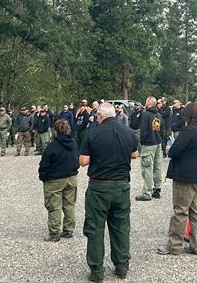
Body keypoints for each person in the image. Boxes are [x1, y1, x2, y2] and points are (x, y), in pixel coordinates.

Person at [79, 102, 139, 282]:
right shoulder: (128, 132)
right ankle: (121, 266)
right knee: (121, 227)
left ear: (99, 116)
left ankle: (97, 271)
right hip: (121, 185)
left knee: (95, 228)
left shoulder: (93, 133)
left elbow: (83, 161)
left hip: (99, 186)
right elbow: (135, 154)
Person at [157, 102, 197, 255]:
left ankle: (175, 245)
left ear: (188, 115)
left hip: (185, 176)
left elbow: (174, 151)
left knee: (180, 211)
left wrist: (169, 149)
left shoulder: (188, 131)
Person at [39, 119, 79, 242]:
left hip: (54, 180)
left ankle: (54, 233)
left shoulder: (52, 147)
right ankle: (68, 230)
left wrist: (43, 176)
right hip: (71, 178)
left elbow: (44, 165)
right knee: (69, 205)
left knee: (54, 206)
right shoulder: (73, 143)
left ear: (55, 131)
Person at [136, 96, 164, 201]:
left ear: (149, 102)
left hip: (148, 143)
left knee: (147, 167)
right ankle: (157, 189)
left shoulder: (146, 114)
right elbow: (162, 129)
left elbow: (143, 130)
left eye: (146, 101)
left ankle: (147, 193)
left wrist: (142, 141)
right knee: (157, 166)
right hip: (157, 142)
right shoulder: (158, 115)